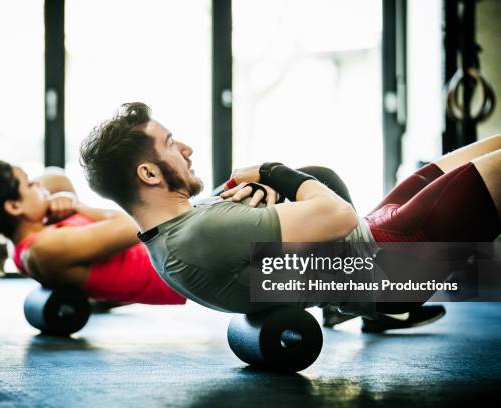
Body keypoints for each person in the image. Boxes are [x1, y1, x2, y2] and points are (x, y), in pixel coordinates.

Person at [79, 102, 500, 324]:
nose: (186, 149)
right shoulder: (196, 235)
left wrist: (270, 194)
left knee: (482, 153)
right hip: (391, 264)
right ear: (149, 173)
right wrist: (273, 172)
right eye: (171, 144)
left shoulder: (177, 234)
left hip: (375, 250)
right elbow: (339, 217)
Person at [0, 161, 185, 330]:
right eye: (30, 184)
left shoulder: (33, 234)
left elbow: (57, 178)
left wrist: (58, 201)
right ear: (14, 207)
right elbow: (137, 226)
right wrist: (79, 207)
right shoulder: (45, 249)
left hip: (174, 249)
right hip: (182, 262)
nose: (39, 185)